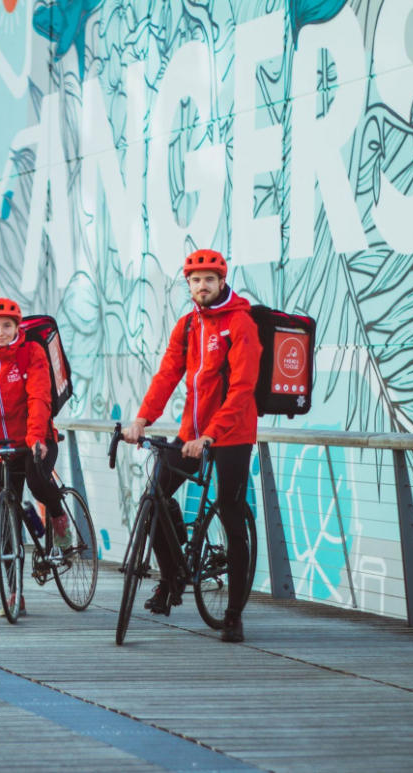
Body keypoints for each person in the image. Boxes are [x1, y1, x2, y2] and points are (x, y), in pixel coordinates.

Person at [122, 249, 261, 642]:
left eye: (209, 280)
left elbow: (242, 388)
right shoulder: (187, 326)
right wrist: (141, 419)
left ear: (222, 282)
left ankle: (233, 615)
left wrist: (212, 434)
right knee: (155, 499)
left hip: (231, 435)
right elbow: (167, 375)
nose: (202, 286)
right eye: (195, 280)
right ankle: (170, 580)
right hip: (191, 433)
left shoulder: (240, 324)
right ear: (188, 285)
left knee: (233, 517)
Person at [0, 297, 69, 617]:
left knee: (36, 483)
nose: (1, 332)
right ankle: (14, 594)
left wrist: (36, 438)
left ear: (18, 327)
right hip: (2, 448)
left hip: (38, 440)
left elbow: (38, 396)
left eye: (7, 326)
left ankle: (59, 523)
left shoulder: (32, 353)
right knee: (7, 521)